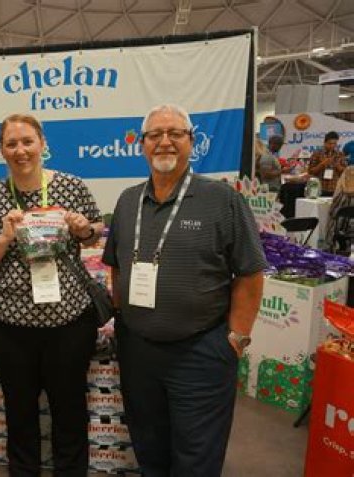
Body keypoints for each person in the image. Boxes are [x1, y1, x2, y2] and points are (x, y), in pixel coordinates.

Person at [102, 104, 266, 477]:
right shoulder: (127, 201)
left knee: (197, 456)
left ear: (192, 141)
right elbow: (116, 265)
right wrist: (124, 318)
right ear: (142, 144)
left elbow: (250, 273)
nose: (165, 142)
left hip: (201, 352)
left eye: (175, 133)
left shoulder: (222, 199)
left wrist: (237, 338)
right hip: (139, 352)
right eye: (155, 135)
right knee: (149, 448)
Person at [0, 113, 103, 476]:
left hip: (69, 324)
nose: (20, 150)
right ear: (1, 150)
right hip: (8, 329)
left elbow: (94, 235)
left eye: (27, 141)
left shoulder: (72, 186)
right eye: (11, 143)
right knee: (19, 411)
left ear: (42, 143)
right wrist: (3, 238)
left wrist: (84, 229)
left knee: (69, 409)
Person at [308, 131, 347, 197]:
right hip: (320, 188)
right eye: (330, 143)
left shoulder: (340, 154)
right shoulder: (317, 154)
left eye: (334, 143)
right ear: (325, 143)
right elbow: (310, 171)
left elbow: (345, 172)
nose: (332, 146)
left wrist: (338, 166)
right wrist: (322, 164)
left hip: (335, 188)